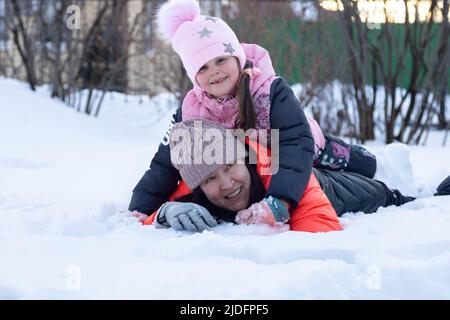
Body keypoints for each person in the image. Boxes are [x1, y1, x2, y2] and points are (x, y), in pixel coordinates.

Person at [129, 0, 376, 220]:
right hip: (257, 164)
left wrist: (279, 200)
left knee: (352, 164)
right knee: (307, 175)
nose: (214, 71)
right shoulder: (192, 112)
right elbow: (165, 164)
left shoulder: (269, 90)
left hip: (302, 144)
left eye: (220, 60)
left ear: (236, 56)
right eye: (202, 68)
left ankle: (366, 159)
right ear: (194, 77)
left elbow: (294, 143)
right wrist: (141, 207)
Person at [138, 120, 446, 233]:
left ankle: (429, 195)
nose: (227, 184)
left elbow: (318, 228)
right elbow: (144, 216)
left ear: (244, 158)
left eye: (230, 166)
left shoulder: (279, 173)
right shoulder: (192, 192)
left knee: (384, 196)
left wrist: (271, 220)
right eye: (210, 180)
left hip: (322, 186)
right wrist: (165, 213)